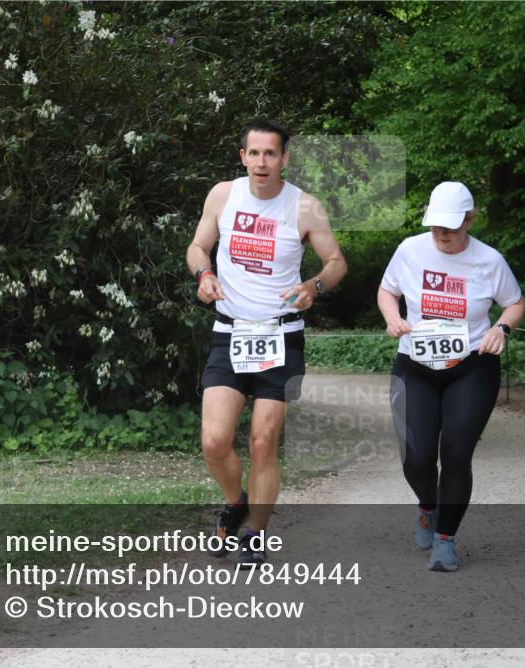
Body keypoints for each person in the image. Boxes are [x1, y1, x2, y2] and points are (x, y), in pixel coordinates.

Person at [186, 119, 347, 567]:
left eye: (270, 154)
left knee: (262, 442)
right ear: (243, 157)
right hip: (230, 331)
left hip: (281, 335)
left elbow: (336, 262)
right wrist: (204, 274)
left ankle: (256, 533)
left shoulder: (305, 207)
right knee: (214, 441)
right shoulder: (223, 195)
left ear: (284, 159)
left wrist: (314, 285)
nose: (262, 162)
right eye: (254, 153)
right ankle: (236, 502)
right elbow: (197, 246)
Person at [377, 181, 525, 572]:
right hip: (415, 365)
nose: (441, 233)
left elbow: (514, 303)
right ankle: (428, 508)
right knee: (416, 456)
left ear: (469, 221)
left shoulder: (489, 260)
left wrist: (502, 329)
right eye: (435, 225)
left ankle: (446, 539)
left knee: (457, 453)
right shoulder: (410, 250)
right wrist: (392, 317)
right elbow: (387, 291)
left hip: (472, 367)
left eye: (451, 226)